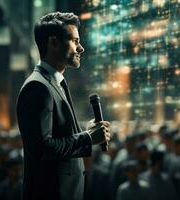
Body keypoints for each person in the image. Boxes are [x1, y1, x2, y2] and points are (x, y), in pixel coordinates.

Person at [16, 12, 110, 200]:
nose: (81, 48)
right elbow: (43, 148)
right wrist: (87, 139)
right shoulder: (38, 87)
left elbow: (58, 135)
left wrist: (86, 132)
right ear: (53, 42)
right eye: (75, 41)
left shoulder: (52, 83)